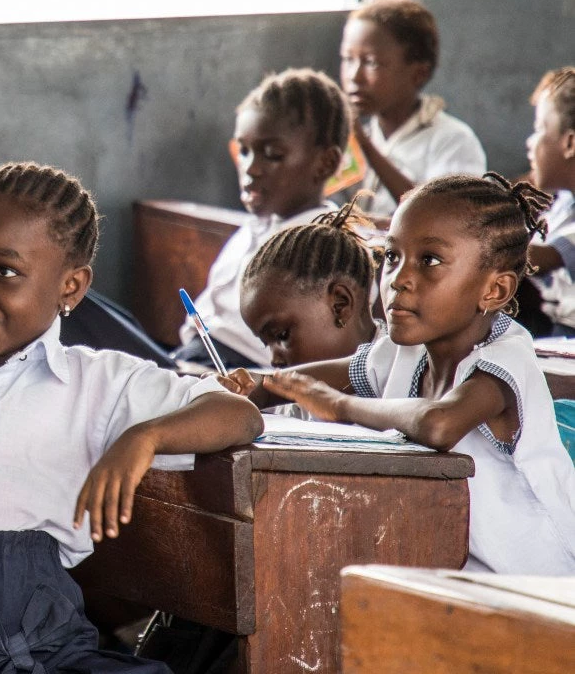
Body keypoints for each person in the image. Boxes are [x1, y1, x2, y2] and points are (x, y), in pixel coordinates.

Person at [0, 0, 262, 672]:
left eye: (5, 271)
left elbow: (239, 415)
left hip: (46, 648)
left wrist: (143, 437)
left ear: (71, 288)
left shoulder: (97, 384)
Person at [229, 173, 575, 574]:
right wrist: (256, 386)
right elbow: (322, 377)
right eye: (392, 257)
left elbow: (438, 424)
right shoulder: (405, 350)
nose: (399, 280)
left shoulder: (506, 359)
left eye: (429, 261)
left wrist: (339, 406)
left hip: (534, 586)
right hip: (447, 568)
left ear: (494, 291)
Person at [174, 68, 351, 369]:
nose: (250, 168)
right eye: (244, 151)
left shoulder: (325, 248)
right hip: (193, 358)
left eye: (271, 154)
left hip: (240, 375)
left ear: (325, 163)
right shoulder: (254, 229)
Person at [339, 0, 486, 215]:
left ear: (419, 73)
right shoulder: (355, 138)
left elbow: (442, 220)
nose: (354, 76)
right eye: (348, 59)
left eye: (371, 62)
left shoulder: (453, 142)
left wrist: (366, 146)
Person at [239, 199, 381, 369]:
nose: (274, 361)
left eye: (282, 336)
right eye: (266, 343)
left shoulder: (396, 372)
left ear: (340, 304)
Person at [526, 67, 575, 336]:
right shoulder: (565, 203)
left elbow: (540, 258)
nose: (530, 142)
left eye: (539, 129)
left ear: (570, 143)